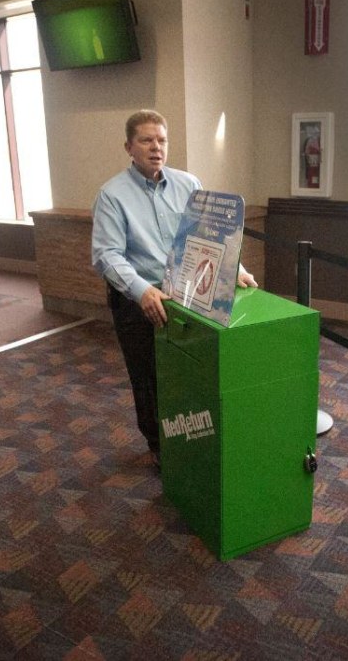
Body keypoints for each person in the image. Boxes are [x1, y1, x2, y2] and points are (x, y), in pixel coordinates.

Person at [92, 110, 257, 468]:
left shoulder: (188, 184)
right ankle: (159, 449)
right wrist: (141, 290)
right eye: (146, 140)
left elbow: (212, 234)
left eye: (162, 140)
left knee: (189, 373)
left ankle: (192, 438)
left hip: (186, 296)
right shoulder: (112, 195)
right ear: (129, 147)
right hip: (139, 300)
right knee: (149, 379)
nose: (156, 147)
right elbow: (106, 255)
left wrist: (236, 269)